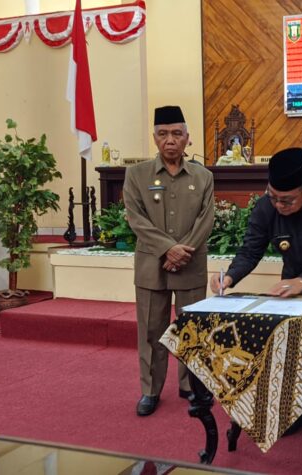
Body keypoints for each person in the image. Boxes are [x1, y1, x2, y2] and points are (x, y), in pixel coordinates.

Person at [209, 147, 302, 443]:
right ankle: (300, 411)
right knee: (296, 345)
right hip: (294, 281)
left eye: (287, 200)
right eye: (273, 196)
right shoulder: (267, 206)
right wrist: (230, 276)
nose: (279, 205)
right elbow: (250, 249)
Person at [123, 105, 215, 417]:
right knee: (151, 330)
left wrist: (181, 251)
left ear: (187, 138)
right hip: (152, 266)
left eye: (176, 133)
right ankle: (150, 390)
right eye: (163, 134)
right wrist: (167, 249)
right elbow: (136, 218)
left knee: (191, 328)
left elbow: (206, 219)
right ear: (155, 138)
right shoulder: (137, 175)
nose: (170, 140)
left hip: (191, 264)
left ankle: (190, 385)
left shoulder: (203, 177)